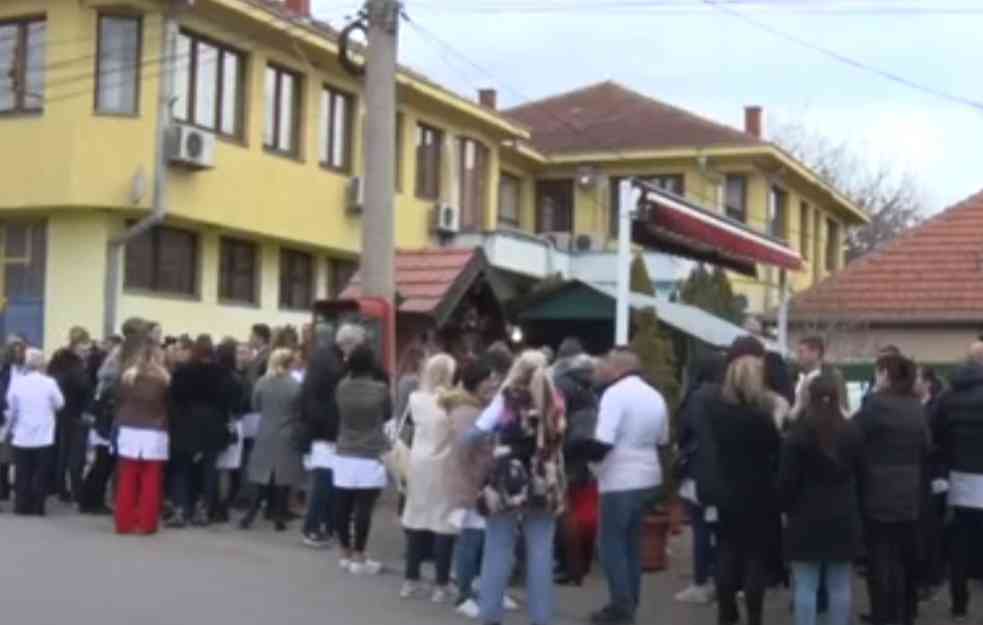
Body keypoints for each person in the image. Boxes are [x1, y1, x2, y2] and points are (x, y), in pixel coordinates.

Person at [470, 349, 566, 625]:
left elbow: (479, 429)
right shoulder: (555, 399)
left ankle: (489, 614)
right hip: (544, 476)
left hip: (507, 477)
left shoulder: (506, 398)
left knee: (498, 545)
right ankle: (542, 618)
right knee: (541, 550)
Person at [582, 348, 668, 625]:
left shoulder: (614, 394)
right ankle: (630, 601)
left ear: (618, 367)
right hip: (648, 476)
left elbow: (604, 441)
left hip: (620, 478)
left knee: (611, 546)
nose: (602, 368)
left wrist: (585, 460)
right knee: (631, 544)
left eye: (606, 363)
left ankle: (621, 608)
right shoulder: (655, 395)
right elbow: (663, 439)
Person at [700, 336, 782, 625]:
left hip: (726, 492)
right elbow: (776, 452)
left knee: (725, 552)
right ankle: (754, 617)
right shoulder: (761, 417)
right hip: (759, 495)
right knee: (754, 559)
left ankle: (725, 612)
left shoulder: (716, 412)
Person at [778, 375, 863, 625]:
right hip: (843, 514)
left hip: (805, 516)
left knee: (806, 585)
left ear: (807, 397)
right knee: (840, 585)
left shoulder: (798, 434)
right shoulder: (852, 432)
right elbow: (862, 474)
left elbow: (786, 481)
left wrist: (783, 508)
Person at [853, 353, 929, 625]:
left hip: (877, 493)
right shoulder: (916, 407)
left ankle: (884, 615)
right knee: (905, 558)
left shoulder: (874, 405)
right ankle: (906, 613)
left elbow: (853, 437)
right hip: (910, 493)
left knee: (881, 561)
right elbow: (925, 447)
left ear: (884, 375)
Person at [401, 353, 459, 602]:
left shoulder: (415, 398)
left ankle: (410, 580)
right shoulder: (453, 401)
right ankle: (441, 583)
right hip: (445, 464)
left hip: (418, 463)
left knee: (416, 519)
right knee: (443, 524)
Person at [443, 357, 498, 618]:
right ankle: (463, 595)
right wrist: (475, 487)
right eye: (489, 381)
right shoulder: (468, 413)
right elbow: (464, 454)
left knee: (477, 541)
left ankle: (473, 589)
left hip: (476, 486)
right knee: (470, 542)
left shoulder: (476, 409)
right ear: (476, 383)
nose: (494, 385)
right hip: (470, 488)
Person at [931, 343, 983, 621]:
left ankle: (959, 604)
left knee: (959, 545)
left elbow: (935, 435)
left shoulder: (948, 396)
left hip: (959, 478)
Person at [673, 351, 726, 605]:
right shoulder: (729, 394)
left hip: (698, 470)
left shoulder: (696, 397)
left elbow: (685, 432)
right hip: (725, 472)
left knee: (700, 527)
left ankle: (701, 582)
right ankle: (722, 580)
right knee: (720, 528)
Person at [334, 344, 391, 575]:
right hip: (371, 452)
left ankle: (345, 552)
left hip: (345, 449)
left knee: (342, 505)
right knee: (364, 507)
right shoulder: (380, 390)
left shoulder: (341, 387)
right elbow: (388, 415)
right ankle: (360, 555)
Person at [168, 335, 234, 527]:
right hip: (213, 426)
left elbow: (173, 399)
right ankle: (203, 509)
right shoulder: (222, 373)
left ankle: (181, 509)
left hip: (185, 424)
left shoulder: (182, 372)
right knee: (208, 469)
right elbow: (229, 402)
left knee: (181, 468)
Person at [240, 348, 305, 531]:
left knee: (262, 477)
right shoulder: (295, 385)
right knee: (282, 479)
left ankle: (250, 515)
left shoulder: (262, 382)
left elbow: (256, 406)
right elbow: (299, 411)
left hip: (265, 433)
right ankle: (279, 516)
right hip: (286, 433)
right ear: (289, 363)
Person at [114, 341, 170, 534]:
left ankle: (123, 522)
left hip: (129, 428)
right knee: (151, 480)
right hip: (154, 431)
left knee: (127, 477)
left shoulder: (127, 377)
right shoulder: (164, 380)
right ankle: (147, 523)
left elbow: (119, 400)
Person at [554, 353, 600, 588]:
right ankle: (581, 564)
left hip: (568, 456)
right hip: (586, 458)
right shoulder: (591, 391)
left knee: (566, 514)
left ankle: (570, 567)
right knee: (584, 512)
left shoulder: (562, 386)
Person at [6, 348, 65, 515]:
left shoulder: (17, 383)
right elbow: (60, 403)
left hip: (22, 435)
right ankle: (38, 507)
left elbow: (12, 407)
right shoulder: (49, 382)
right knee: (40, 472)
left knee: (22, 472)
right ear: (42, 364)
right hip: (43, 435)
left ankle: (21, 506)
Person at [299, 345, 343, 548]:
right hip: (327, 441)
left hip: (314, 441)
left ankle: (324, 525)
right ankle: (312, 527)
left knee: (322, 485)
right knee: (324, 486)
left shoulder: (309, 387)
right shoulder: (330, 391)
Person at [47, 326, 94, 503]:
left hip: (59, 412)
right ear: (77, 345)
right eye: (85, 346)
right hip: (76, 414)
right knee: (76, 455)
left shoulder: (57, 360)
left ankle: (59, 488)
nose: (87, 350)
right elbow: (84, 388)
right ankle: (76, 491)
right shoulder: (76, 365)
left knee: (61, 451)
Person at [791, 337, 850, 421]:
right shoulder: (794, 376)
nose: (797, 356)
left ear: (815, 353)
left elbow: (843, 407)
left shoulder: (833, 377)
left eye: (801, 352)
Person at [0, 336, 27, 502]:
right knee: (4, 455)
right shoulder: (4, 370)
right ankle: (3, 489)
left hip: (21, 416)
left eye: (20, 350)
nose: (18, 353)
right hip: (6, 414)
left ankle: (18, 487)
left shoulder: (25, 369)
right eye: (15, 350)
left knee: (18, 455)